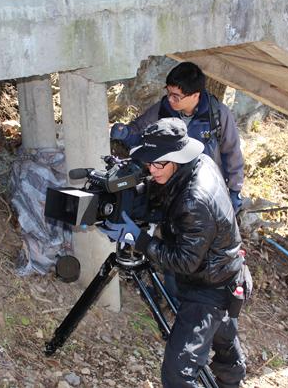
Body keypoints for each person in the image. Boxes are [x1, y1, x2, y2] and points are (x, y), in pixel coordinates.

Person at [100, 118, 250, 388]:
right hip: (225, 271)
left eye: (158, 163)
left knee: (177, 374)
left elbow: (185, 261)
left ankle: (231, 381)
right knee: (223, 338)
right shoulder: (198, 163)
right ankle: (233, 382)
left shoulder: (195, 199)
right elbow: (166, 193)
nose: (152, 169)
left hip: (209, 287)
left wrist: (139, 239)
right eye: (149, 162)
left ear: (176, 159)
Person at [110, 61, 244, 213]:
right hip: (170, 186)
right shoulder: (163, 109)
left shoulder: (218, 114)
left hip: (206, 186)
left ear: (195, 95)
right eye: (168, 93)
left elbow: (232, 153)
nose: (170, 99)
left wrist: (234, 190)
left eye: (176, 96)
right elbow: (140, 133)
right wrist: (125, 133)